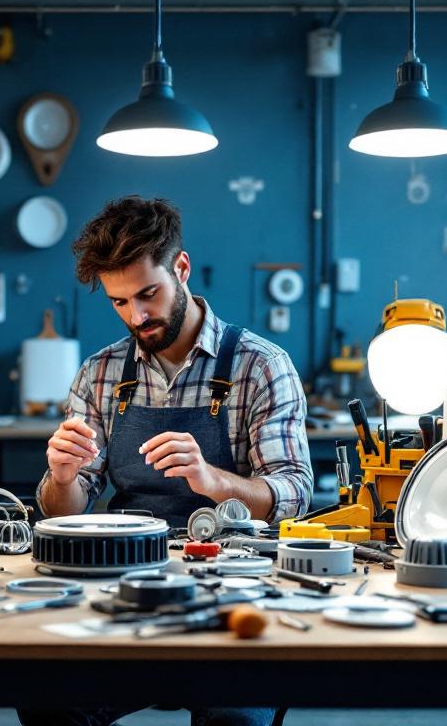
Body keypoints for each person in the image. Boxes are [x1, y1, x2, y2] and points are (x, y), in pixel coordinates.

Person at [19, 196, 311, 726]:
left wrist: (212, 480)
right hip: (127, 583)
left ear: (181, 268)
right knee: (48, 702)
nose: (137, 316)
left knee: (234, 719)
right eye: (119, 303)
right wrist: (61, 477)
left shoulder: (262, 367)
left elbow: (291, 493)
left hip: (232, 589)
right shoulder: (100, 373)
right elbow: (64, 510)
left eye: (148, 295)